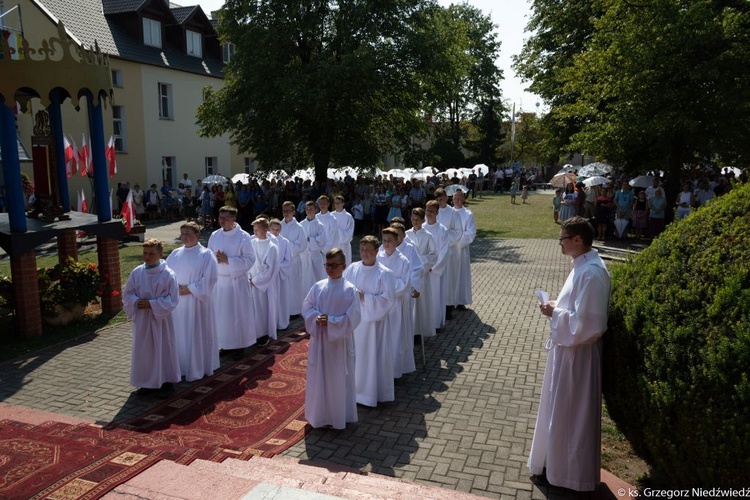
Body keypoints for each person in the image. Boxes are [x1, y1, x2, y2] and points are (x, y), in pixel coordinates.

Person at [528, 216, 611, 492]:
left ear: (578, 240)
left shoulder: (592, 273)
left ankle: (571, 477)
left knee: (572, 416)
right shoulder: (581, 266)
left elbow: (588, 325)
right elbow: (575, 309)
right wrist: (556, 306)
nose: (560, 243)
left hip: (579, 357)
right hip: (567, 353)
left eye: (563, 238)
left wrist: (556, 313)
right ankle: (555, 467)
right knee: (560, 412)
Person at [303, 248, 362, 429]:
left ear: (344, 266)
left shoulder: (350, 290)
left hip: (339, 344)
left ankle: (338, 418)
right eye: (327, 265)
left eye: (334, 265)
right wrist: (316, 318)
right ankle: (319, 416)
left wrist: (332, 321)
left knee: (338, 381)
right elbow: (307, 307)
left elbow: (354, 318)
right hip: (320, 342)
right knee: (319, 378)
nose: (329, 269)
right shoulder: (318, 286)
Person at [122, 238, 181, 398]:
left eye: (151, 254)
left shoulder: (168, 274)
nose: (147, 257)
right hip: (143, 319)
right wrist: (136, 302)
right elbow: (127, 293)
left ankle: (166, 382)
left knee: (164, 348)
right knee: (144, 351)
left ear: (160, 254)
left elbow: (173, 299)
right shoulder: (137, 272)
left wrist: (152, 304)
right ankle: (146, 383)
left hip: (161, 320)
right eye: (145, 253)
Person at [343, 235, 396, 407]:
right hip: (355, 323)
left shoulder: (385, 273)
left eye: (368, 250)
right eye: (362, 249)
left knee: (372, 358)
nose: (364, 253)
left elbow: (387, 300)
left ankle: (371, 394)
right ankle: (354, 391)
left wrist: (364, 297)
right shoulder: (352, 269)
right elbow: (343, 288)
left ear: (376, 251)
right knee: (355, 358)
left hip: (374, 324)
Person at [166, 222, 219, 382]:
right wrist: (174, 288)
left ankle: (197, 366)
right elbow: (166, 274)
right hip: (178, 303)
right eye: (182, 234)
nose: (185, 237)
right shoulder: (175, 254)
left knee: (195, 333)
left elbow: (210, 278)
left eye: (188, 233)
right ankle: (179, 366)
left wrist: (190, 289)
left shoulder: (206, 254)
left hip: (196, 302)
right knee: (179, 334)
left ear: (197, 235)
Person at [208, 206, 256, 359]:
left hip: (236, 281)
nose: (221, 220)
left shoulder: (243, 237)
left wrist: (229, 260)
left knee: (237, 315)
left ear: (234, 219)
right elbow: (208, 255)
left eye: (225, 218)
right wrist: (213, 260)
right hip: (220, 282)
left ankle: (239, 346)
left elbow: (250, 259)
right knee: (222, 315)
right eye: (220, 217)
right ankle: (225, 344)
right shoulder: (215, 235)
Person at [378, 227, 415, 378]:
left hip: (395, 305)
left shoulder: (403, 261)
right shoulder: (378, 257)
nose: (386, 244)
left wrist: (386, 287)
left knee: (395, 338)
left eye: (390, 241)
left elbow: (405, 284)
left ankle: (395, 371)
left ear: (397, 241)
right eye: (384, 240)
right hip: (380, 305)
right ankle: (381, 370)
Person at [406, 208, 437, 338]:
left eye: (417, 220)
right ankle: (410, 329)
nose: (415, 222)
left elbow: (434, 254)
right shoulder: (407, 234)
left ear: (423, 220)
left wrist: (422, 262)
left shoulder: (428, 235)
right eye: (413, 219)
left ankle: (420, 330)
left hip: (422, 273)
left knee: (421, 302)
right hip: (409, 274)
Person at [248, 217, 279, 346]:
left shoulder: (272, 247)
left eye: (258, 228)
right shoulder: (251, 243)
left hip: (262, 285)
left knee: (262, 309)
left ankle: (263, 334)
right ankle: (252, 334)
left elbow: (270, 269)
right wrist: (248, 277)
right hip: (250, 281)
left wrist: (255, 280)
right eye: (254, 228)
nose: (255, 231)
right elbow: (248, 260)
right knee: (252, 310)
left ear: (266, 229)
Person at [435, 188, 462, 319]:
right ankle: (436, 307)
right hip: (435, 252)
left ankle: (448, 307)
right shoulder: (432, 212)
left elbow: (458, 232)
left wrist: (444, 237)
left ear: (447, 198)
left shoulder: (453, 213)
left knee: (448, 280)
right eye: (437, 199)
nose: (440, 201)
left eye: (442, 198)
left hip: (450, 252)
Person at [423, 200, 450, 330]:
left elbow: (444, 251)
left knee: (435, 296)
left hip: (434, 271)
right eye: (427, 210)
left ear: (437, 213)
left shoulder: (442, 230)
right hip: (423, 270)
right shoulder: (421, 229)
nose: (428, 213)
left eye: (431, 211)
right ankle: (423, 324)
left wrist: (433, 267)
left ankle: (435, 323)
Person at [280, 201, 309, 316]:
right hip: (281, 262)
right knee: (283, 286)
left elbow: (302, 245)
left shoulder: (299, 228)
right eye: (284, 211)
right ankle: (283, 309)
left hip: (293, 261)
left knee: (294, 285)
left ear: (293, 212)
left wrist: (286, 246)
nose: (286, 213)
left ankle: (294, 310)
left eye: (288, 211)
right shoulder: (279, 226)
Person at [452, 190, 476, 310]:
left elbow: (470, 233)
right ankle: (450, 301)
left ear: (463, 199)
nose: (457, 199)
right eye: (455, 197)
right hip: (449, 250)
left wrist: (456, 242)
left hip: (461, 250)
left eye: (459, 197)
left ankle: (460, 300)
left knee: (461, 275)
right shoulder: (448, 212)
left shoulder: (468, 214)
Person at [269, 218, 292, 330]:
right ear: (269, 229)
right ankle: (270, 323)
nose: (275, 232)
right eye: (273, 229)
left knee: (281, 298)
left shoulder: (285, 242)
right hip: (268, 276)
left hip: (280, 275)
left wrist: (277, 267)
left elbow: (288, 260)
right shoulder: (266, 240)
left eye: (277, 229)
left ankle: (281, 322)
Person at [302, 200, 327, 282]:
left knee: (318, 279)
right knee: (305, 280)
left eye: (311, 209)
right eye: (307, 209)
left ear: (315, 210)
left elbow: (322, 242)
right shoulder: (301, 224)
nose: (309, 211)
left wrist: (310, 240)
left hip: (315, 256)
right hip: (304, 256)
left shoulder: (319, 226)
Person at [332, 195, 355, 265]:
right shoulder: (331, 216)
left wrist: (337, 230)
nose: (337, 205)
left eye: (339, 203)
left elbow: (349, 234)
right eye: (336, 203)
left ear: (343, 203)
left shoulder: (348, 217)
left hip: (344, 246)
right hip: (333, 245)